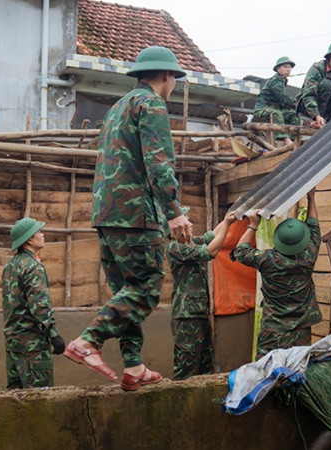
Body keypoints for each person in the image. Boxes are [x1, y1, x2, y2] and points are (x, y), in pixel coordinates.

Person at [64, 46, 193, 391]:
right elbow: (159, 163)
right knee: (146, 288)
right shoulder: (151, 105)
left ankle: (134, 367)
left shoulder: (117, 108)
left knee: (126, 291)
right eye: (175, 78)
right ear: (167, 76)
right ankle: (88, 341)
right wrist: (174, 213)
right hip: (136, 214)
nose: (174, 84)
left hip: (106, 214)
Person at [230, 189, 323, 358]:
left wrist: (253, 224)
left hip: (273, 330)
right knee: (297, 369)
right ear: (302, 240)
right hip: (301, 330)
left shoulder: (268, 260)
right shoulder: (309, 254)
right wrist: (311, 198)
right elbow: (314, 225)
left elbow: (241, 252)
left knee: (265, 371)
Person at [167, 211, 237, 380]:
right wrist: (227, 224)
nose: (190, 224)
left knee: (205, 365)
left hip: (198, 314)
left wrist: (228, 217)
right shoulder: (176, 248)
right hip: (186, 316)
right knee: (186, 368)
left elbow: (211, 235)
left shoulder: (190, 243)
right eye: (186, 223)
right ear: (177, 230)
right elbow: (211, 251)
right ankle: (179, 403)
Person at [2, 217, 65, 389]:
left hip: (13, 345)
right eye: (39, 232)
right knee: (40, 402)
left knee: (15, 401)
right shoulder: (33, 266)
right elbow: (40, 306)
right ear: (29, 239)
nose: (43, 235)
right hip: (33, 348)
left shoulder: (10, 266)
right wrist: (54, 335)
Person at [253, 56, 300, 147]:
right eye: (285, 67)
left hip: (275, 108)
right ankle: (286, 140)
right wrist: (299, 104)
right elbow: (283, 98)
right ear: (278, 68)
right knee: (276, 113)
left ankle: (296, 139)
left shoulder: (283, 80)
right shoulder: (276, 80)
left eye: (289, 67)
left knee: (294, 114)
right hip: (263, 108)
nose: (288, 69)